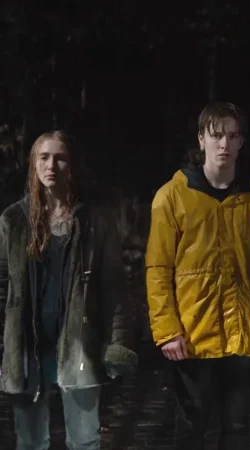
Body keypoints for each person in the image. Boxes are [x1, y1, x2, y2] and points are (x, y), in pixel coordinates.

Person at [145, 101, 250, 450]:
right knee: (191, 429)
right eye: (217, 135)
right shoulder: (172, 197)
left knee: (237, 428)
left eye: (232, 136)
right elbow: (158, 269)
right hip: (192, 336)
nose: (224, 144)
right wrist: (167, 331)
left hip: (243, 334)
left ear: (241, 142)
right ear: (201, 139)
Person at [0, 130, 138, 450]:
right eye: (44, 157)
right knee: (30, 442)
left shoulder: (94, 222)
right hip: (28, 348)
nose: (51, 165)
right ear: (34, 164)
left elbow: (114, 289)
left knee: (85, 440)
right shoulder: (13, 221)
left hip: (80, 346)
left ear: (72, 165)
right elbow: (2, 288)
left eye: (60, 158)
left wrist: (118, 343)